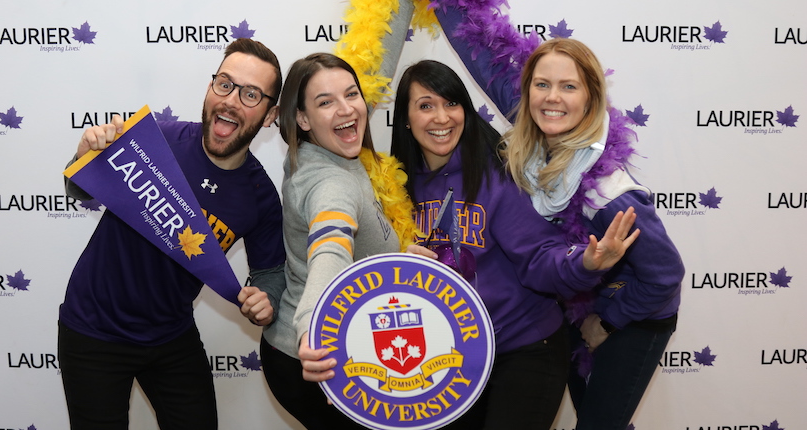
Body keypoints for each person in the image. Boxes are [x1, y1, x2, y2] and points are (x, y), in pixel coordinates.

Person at [435, 4, 685, 429]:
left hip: (635, 314)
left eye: (568, 86)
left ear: (590, 98)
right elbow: (478, 54)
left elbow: (664, 275)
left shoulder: (608, 194)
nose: (552, 97)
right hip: (573, 300)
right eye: (542, 84)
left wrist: (607, 322)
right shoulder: (538, 126)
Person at [390, 59, 640, 430]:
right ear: (406, 120)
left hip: (523, 348)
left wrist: (585, 264)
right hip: (449, 359)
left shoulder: (497, 174)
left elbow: (540, 258)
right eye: (425, 105)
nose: (441, 117)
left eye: (451, 103)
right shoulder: (393, 187)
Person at [58, 38, 286, 429]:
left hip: (171, 337)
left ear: (269, 115)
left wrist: (267, 301)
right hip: (93, 330)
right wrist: (84, 155)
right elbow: (79, 190)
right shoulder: (156, 139)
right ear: (210, 88)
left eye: (251, 94)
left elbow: (269, 274)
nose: (231, 100)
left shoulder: (261, 197)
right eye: (225, 84)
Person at [259, 52, 403, 430]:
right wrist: (313, 328)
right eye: (325, 102)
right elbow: (331, 247)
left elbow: (377, 67)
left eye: (352, 94)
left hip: (315, 348)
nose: (347, 109)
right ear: (302, 119)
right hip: (310, 356)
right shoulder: (329, 183)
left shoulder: (331, 141)